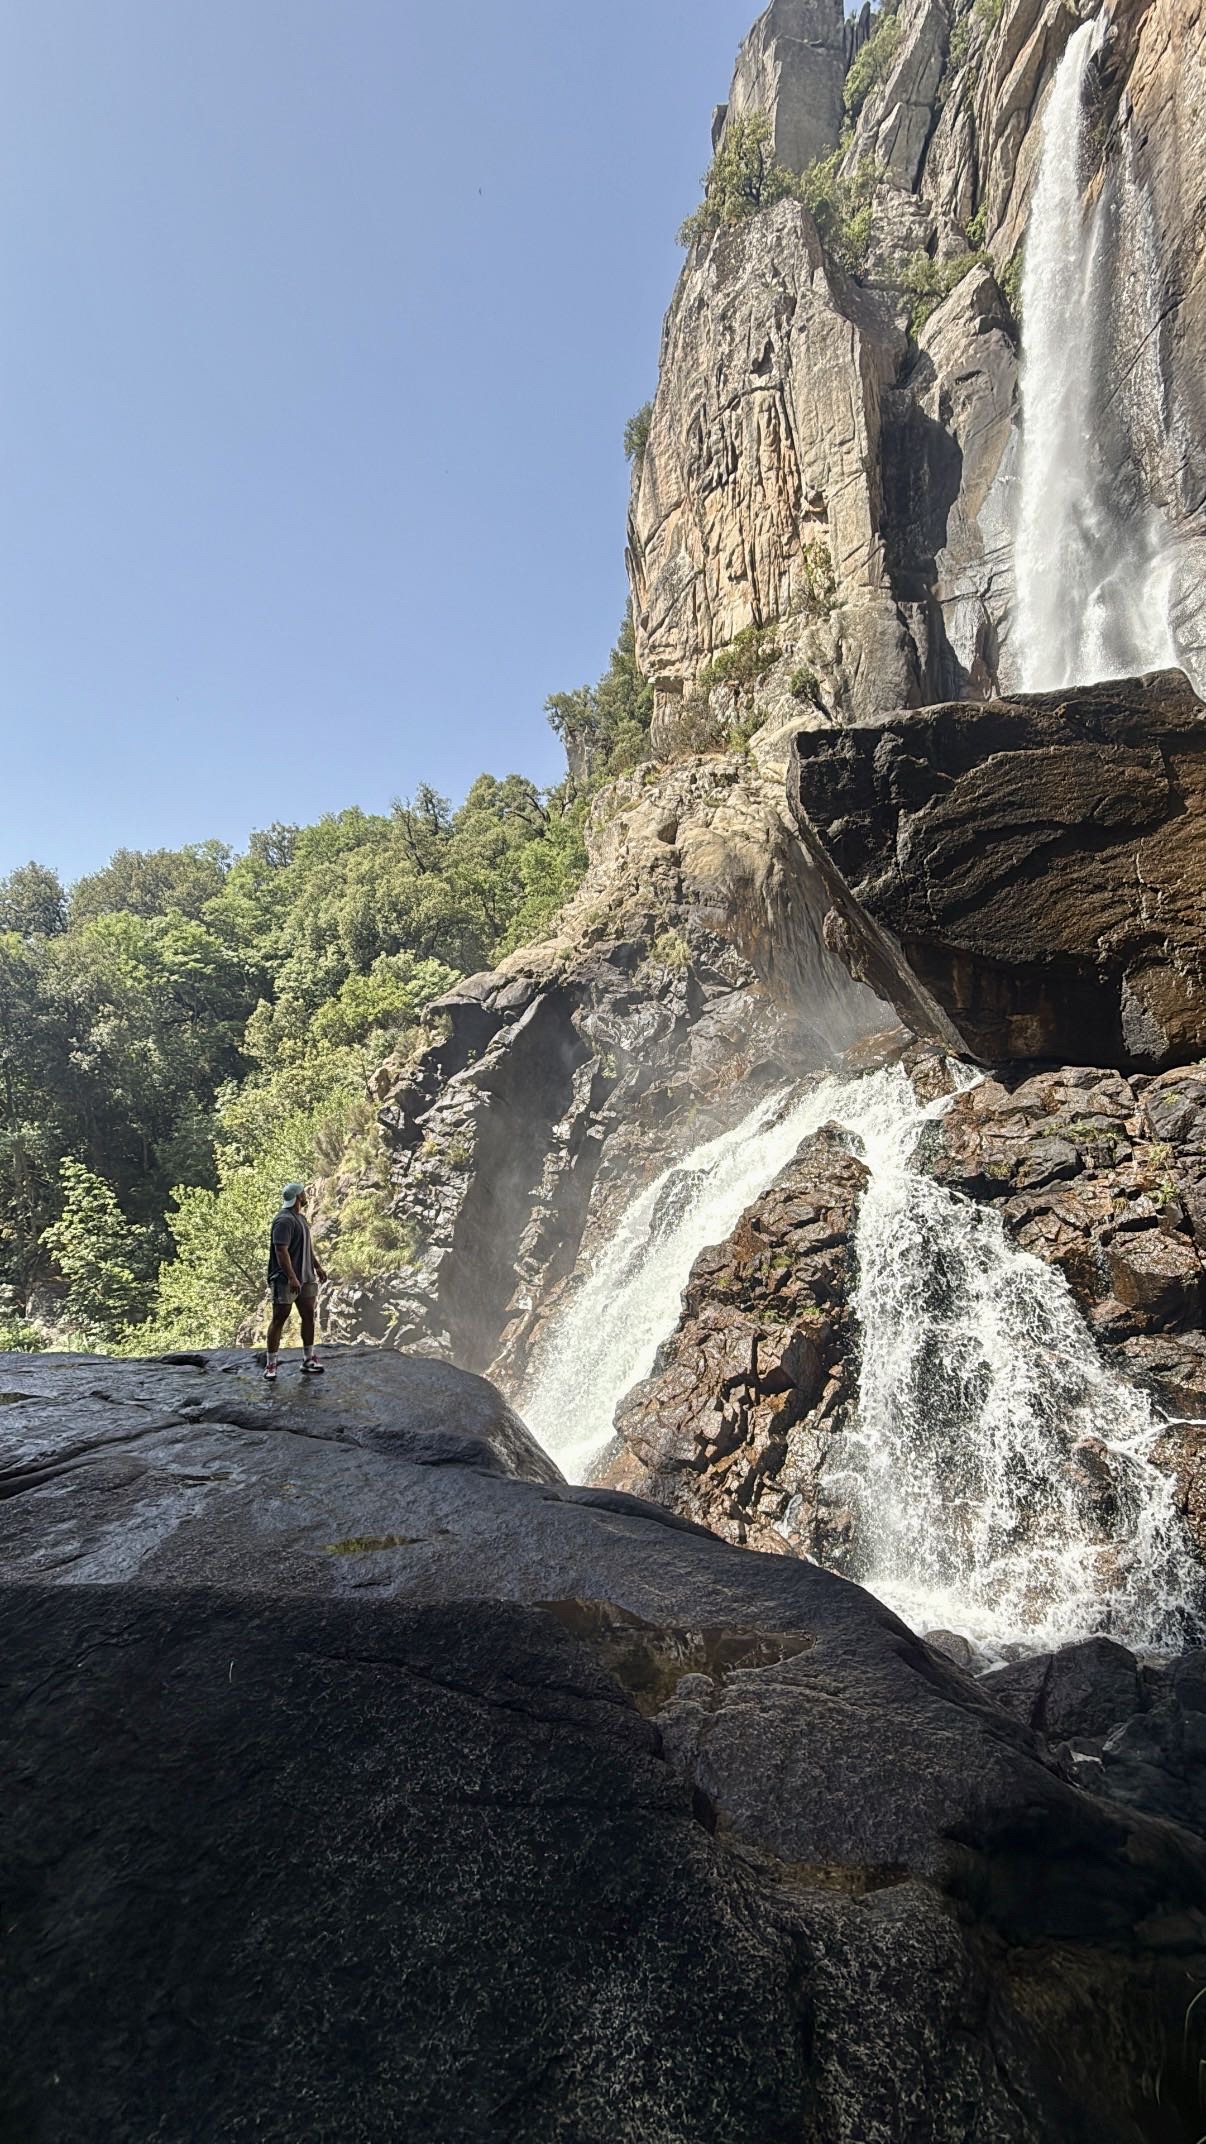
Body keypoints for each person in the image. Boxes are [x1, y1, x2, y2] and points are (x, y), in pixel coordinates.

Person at [263, 1181, 328, 1381]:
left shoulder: (300, 1218)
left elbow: (306, 1247)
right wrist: (291, 1277)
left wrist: (317, 1266)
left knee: (308, 1315)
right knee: (279, 1318)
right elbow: (280, 1251)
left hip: (306, 1277)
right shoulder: (283, 1221)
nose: (306, 1195)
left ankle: (308, 1359)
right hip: (285, 1280)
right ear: (299, 1197)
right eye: (304, 1193)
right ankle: (271, 1364)